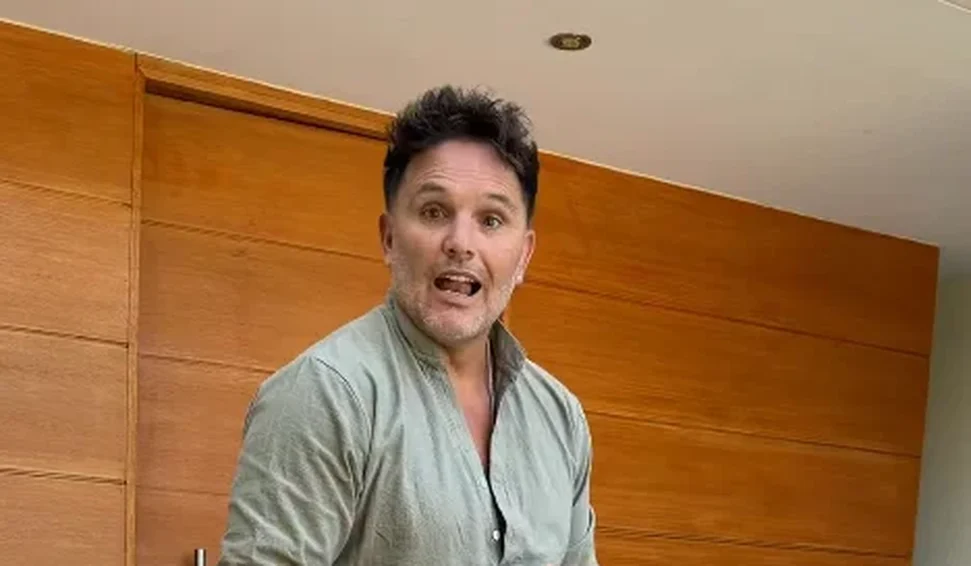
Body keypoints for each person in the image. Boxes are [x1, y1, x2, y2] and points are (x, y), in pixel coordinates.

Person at [218, 85, 598, 565]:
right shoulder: (325, 392)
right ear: (389, 238)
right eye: (434, 212)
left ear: (523, 255)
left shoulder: (561, 417)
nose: (461, 243)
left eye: (491, 220)